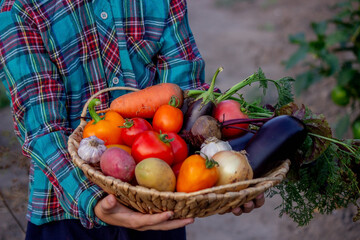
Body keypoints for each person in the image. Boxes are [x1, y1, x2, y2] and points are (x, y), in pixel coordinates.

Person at [0, 0, 265, 239]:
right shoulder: (23, 7)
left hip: (158, 197)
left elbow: (186, 94)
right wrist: (95, 200)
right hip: (67, 208)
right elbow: (43, 127)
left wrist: (228, 180)